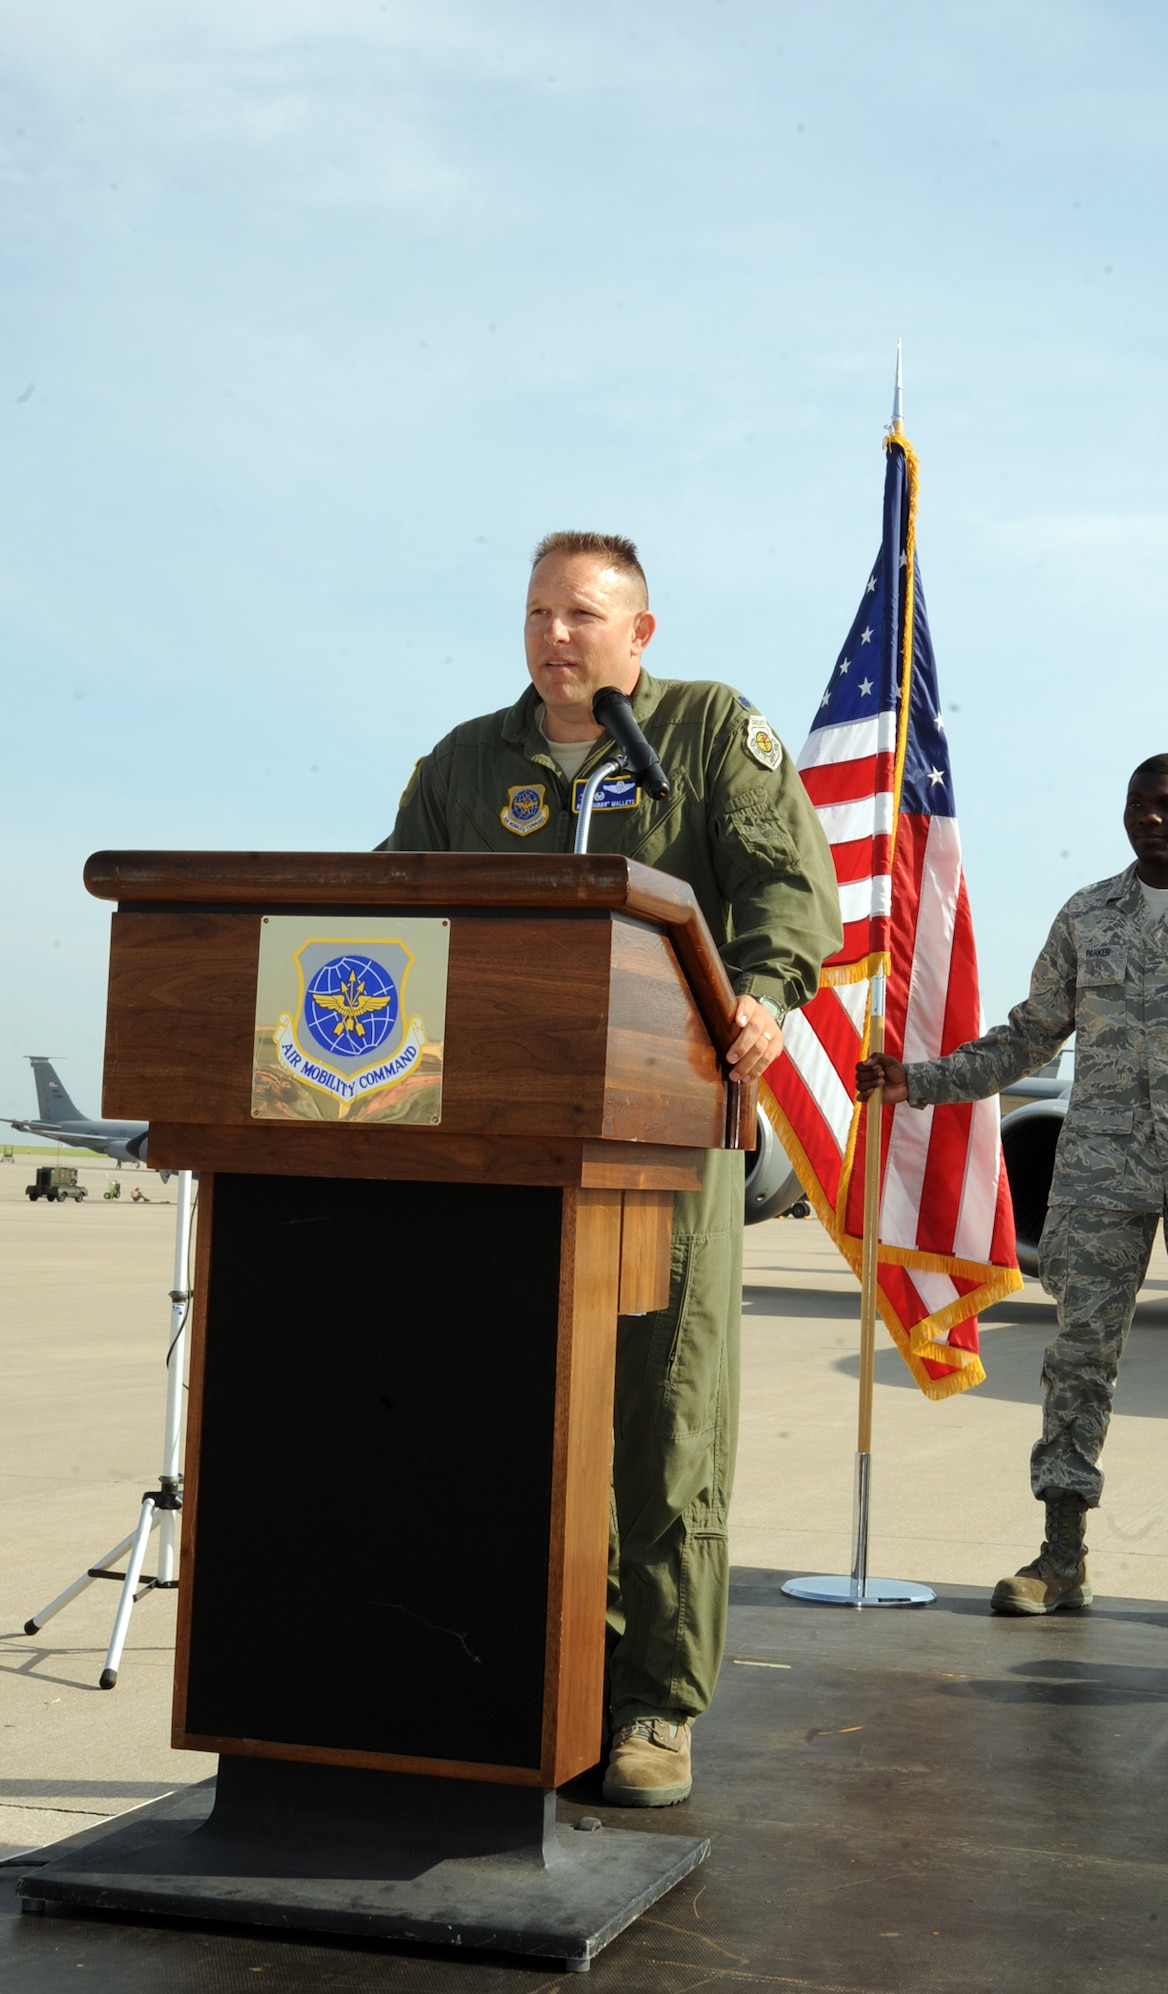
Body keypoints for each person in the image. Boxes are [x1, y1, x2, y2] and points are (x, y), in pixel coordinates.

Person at [383, 530, 841, 1800]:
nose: (554, 635)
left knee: (663, 1418)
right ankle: (543, 1676)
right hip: (508, 1140)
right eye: (537, 612)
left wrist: (764, 993)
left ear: (640, 634)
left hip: (661, 1136)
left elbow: (787, 886)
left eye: (583, 614)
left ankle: (653, 1702)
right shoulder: (468, 761)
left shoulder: (699, 733)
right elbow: (388, 902)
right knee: (523, 1419)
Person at [856, 755, 1168, 1638]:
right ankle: (1060, 1556)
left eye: (1167, 806)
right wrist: (916, 1080)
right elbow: (1027, 1037)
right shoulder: (1085, 916)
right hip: (1099, 1177)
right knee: (1078, 1362)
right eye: (1135, 806)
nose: (1148, 820)